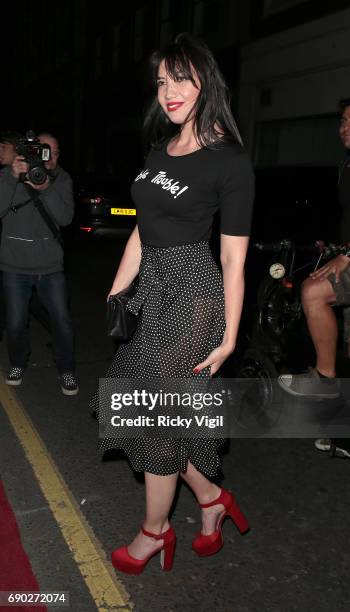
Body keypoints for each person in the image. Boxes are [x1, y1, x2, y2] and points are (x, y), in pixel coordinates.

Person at [90, 33, 254, 574]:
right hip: (155, 289)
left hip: (193, 293)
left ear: (205, 80)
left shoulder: (229, 162)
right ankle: (211, 501)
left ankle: (154, 532)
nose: (169, 91)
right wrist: (117, 290)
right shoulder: (161, 150)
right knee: (150, 409)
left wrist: (229, 337)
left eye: (180, 78)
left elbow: (232, 261)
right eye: (162, 81)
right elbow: (142, 228)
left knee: (153, 414)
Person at [278, 98, 350, 455]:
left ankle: (324, 378)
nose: (345, 127)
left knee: (313, 292)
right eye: (343, 121)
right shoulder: (346, 165)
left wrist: (348, 255)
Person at [0, 131, 78, 395]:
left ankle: (66, 370)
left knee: (63, 322)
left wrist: (45, 188)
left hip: (50, 267)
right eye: (47, 151)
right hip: (15, 266)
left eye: (55, 152)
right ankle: (18, 363)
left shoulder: (62, 179)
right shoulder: (9, 174)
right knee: (14, 323)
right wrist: (12, 177)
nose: (51, 157)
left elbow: (65, 218)